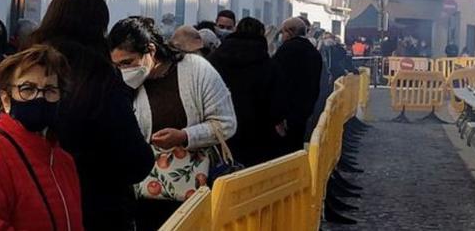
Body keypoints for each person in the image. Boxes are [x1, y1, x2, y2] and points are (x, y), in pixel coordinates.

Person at [30, 0, 153, 231]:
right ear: (100, 28)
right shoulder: (102, 78)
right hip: (95, 210)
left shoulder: (23, 66)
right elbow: (135, 159)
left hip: (33, 205)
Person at [108, 16, 238, 230]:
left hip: (195, 195)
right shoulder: (124, 86)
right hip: (145, 196)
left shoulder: (196, 70)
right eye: (117, 65)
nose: (123, 70)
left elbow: (226, 123)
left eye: (128, 62)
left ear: (150, 50)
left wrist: (185, 136)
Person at [0, 45, 83, 231]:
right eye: (27, 89)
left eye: (50, 90)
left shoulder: (63, 161)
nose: (39, 97)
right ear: (6, 99)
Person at [208, 18, 276, 167]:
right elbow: (274, 97)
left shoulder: (217, 56)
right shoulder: (266, 62)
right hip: (257, 129)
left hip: (222, 123)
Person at [269, 17, 323, 158]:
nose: (282, 35)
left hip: (286, 115)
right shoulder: (314, 52)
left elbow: (277, 83)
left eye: (283, 32)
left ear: (290, 32)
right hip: (304, 111)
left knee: (283, 154)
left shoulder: (285, 51)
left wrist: (278, 116)